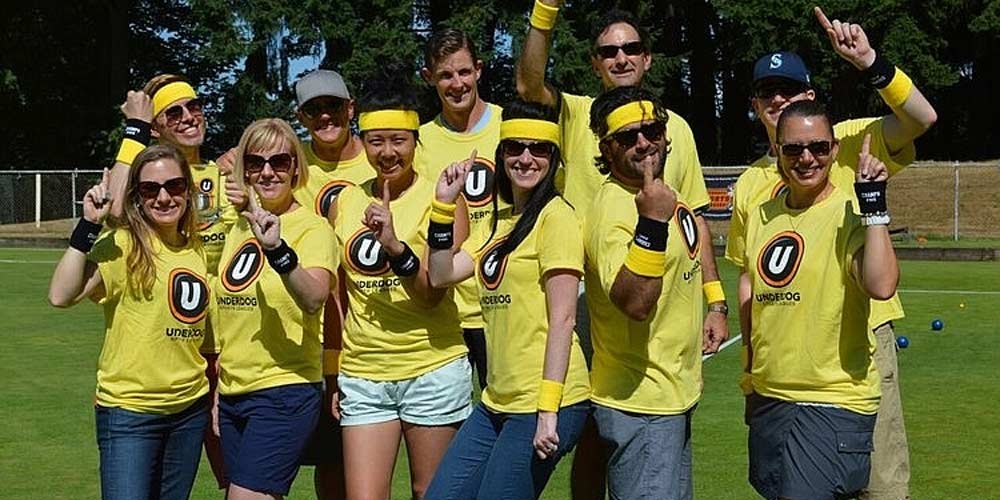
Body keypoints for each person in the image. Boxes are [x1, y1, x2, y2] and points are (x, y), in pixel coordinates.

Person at [725, 9, 937, 499]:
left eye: (789, 90)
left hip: (859, 340)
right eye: (767, 92)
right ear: (755, 104)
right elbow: (749, 281)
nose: (778, 100)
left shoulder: (843, 140)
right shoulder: (751, 182)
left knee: (879, 485)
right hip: (784, 364)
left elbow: (922, 118)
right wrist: (750, 370)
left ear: (810, 95)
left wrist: (870, 63)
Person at [516, 10, 728, 495]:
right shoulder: (579, 115)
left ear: (648, 58)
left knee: (636, 448)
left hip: (667, 349)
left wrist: (715, 301)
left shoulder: (675, 128)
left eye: (631, 48)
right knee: (598, 435)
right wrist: (545, 12)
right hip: (594, 294)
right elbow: (529, 85)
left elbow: (694, 217)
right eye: (609, 51)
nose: (621, 58)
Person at [424, 100, 591, 499]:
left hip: (547, 401)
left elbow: (564, 319)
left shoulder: (557, 218)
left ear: (553, 157)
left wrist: (548, 411)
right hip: (496, 401)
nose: (526, 158)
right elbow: (442, 273)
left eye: (539, 149)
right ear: (501, 155)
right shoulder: (497, 223)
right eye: (515, 147)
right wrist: (443, 206)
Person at [737, 99, 899, 500]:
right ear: (777, 150)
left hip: (829, 401)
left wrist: (873, 205)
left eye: (819, 147)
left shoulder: (848, 213)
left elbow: (881, 285)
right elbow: (756, 302)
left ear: (834, 149)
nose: (807, 158)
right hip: (772, 398)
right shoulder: (762, 215)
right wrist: (751, 380)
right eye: (794, 148)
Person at [331, 76, 471, 500]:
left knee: (432, 492)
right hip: (364, 373)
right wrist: (335, 369)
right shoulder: (346, 202)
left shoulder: (442, 200)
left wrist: (394, 246)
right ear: (362, 141)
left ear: (415, 140)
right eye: (376, 141)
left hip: (431, 368)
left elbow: (431, 294)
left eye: (398, 140)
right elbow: (340, 294)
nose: (387, 152)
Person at [49, 144, 211, 500]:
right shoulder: (122, 245)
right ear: (137, 197)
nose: (164, 198)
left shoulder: (198, 250)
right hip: (130, 412)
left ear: (188, 190)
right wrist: (89, 225)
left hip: (189, 410)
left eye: (174, 186)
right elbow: (61, 295)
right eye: (151, 189)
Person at [107, 73, 236, 488]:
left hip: (234, 351)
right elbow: (113, 207)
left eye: (194, 106)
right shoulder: (150, 186)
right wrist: (135, 127)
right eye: (173, 113)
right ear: (156, 127)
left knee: (243, 478)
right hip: (180, 357)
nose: (188, 117)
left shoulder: (230, 172)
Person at [582, 87, 705, 500]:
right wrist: (651, 223)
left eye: (652, 130)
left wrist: (716, 302)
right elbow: (634, 303)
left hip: (671, 392)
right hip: (641, 401)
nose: (643, 142)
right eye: (627, 137)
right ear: (606, 148)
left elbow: (695, 236)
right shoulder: (618, 207)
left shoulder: (658, 191)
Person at [214, 118, 337, 500]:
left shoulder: (313, 228)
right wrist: (219, 392)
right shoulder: (238, 227)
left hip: (284, 390)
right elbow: (230, 318)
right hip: (234, 393)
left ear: (295, 167)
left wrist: (278, 251)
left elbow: (314, 298)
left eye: (279, 162)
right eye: (256, 162)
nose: (267, 172)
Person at [416, 27, 503, 391]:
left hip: (503, 302)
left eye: (464, 72)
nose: (457, 84)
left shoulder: (508, 126)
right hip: (447, 312)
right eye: (445, 75)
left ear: (479, 70)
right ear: (428, 77)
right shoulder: (420, 142)